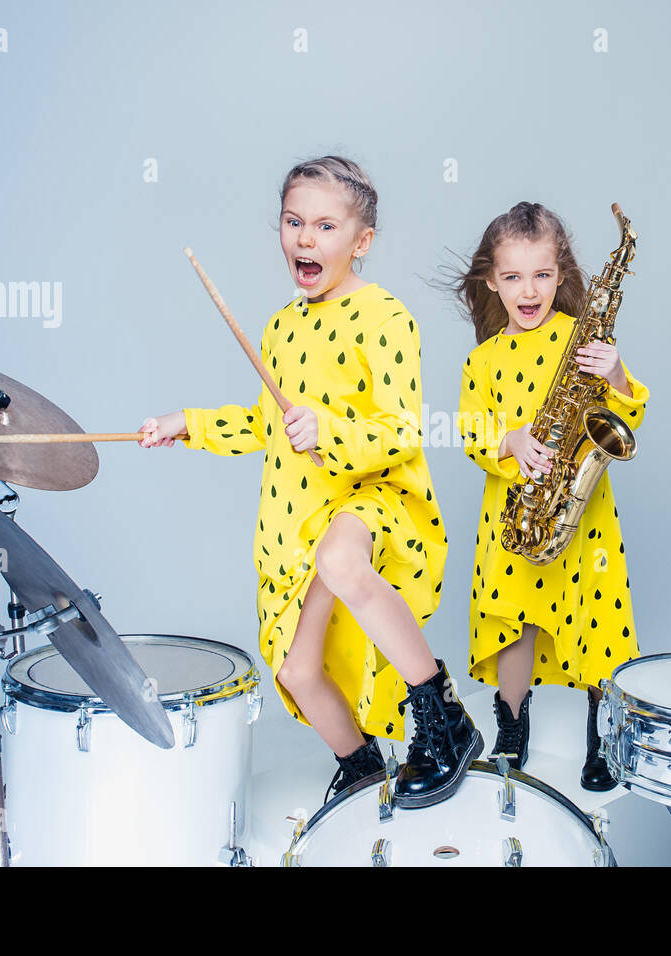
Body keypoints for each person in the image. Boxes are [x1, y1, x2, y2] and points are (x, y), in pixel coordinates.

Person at [140, 156, 481, 807]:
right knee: (298, 671)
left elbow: (399, 429)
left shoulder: (384, 315)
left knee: (340, 556)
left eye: (326, 225)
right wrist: (187, 422)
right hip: (298, 520)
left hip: (373, 497)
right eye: (294, 221)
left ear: (362, 240)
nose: (305, 238)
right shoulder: (282, 326)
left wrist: (330, 431)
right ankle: (358, 765)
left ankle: (445, 721)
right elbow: (266, 424)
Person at [450, 201, 647, 790]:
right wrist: (508, 441)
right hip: (515, 511)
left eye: (541, 275)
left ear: (561, 274)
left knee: (597, 622)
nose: (528, 290)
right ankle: (511, 728)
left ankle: (603, 739)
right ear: (492, 281)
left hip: (583, 517)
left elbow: (626, 412)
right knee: (512, 618)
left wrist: (614, 374)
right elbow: (468, 429)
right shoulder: (482, 358)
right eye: (512, 277)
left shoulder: (582, 340)